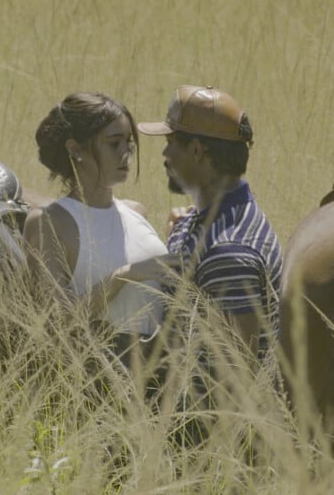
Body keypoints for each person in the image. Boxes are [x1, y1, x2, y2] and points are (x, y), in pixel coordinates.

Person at [23, 92, 176, 368]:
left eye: (128, 143)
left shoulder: (137, 212)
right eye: (113, 144)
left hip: (158, 376)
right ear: (75, 149)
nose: (125, 154)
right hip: (93, 382)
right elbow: (56, 324)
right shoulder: (49, 223)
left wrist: (182, 232)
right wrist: (123, 276)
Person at [137, 85, 283, 364]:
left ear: (195, 150)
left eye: (170, 142)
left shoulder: (229, 251)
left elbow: (231, 378)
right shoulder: (198, 221)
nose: (164, 154)